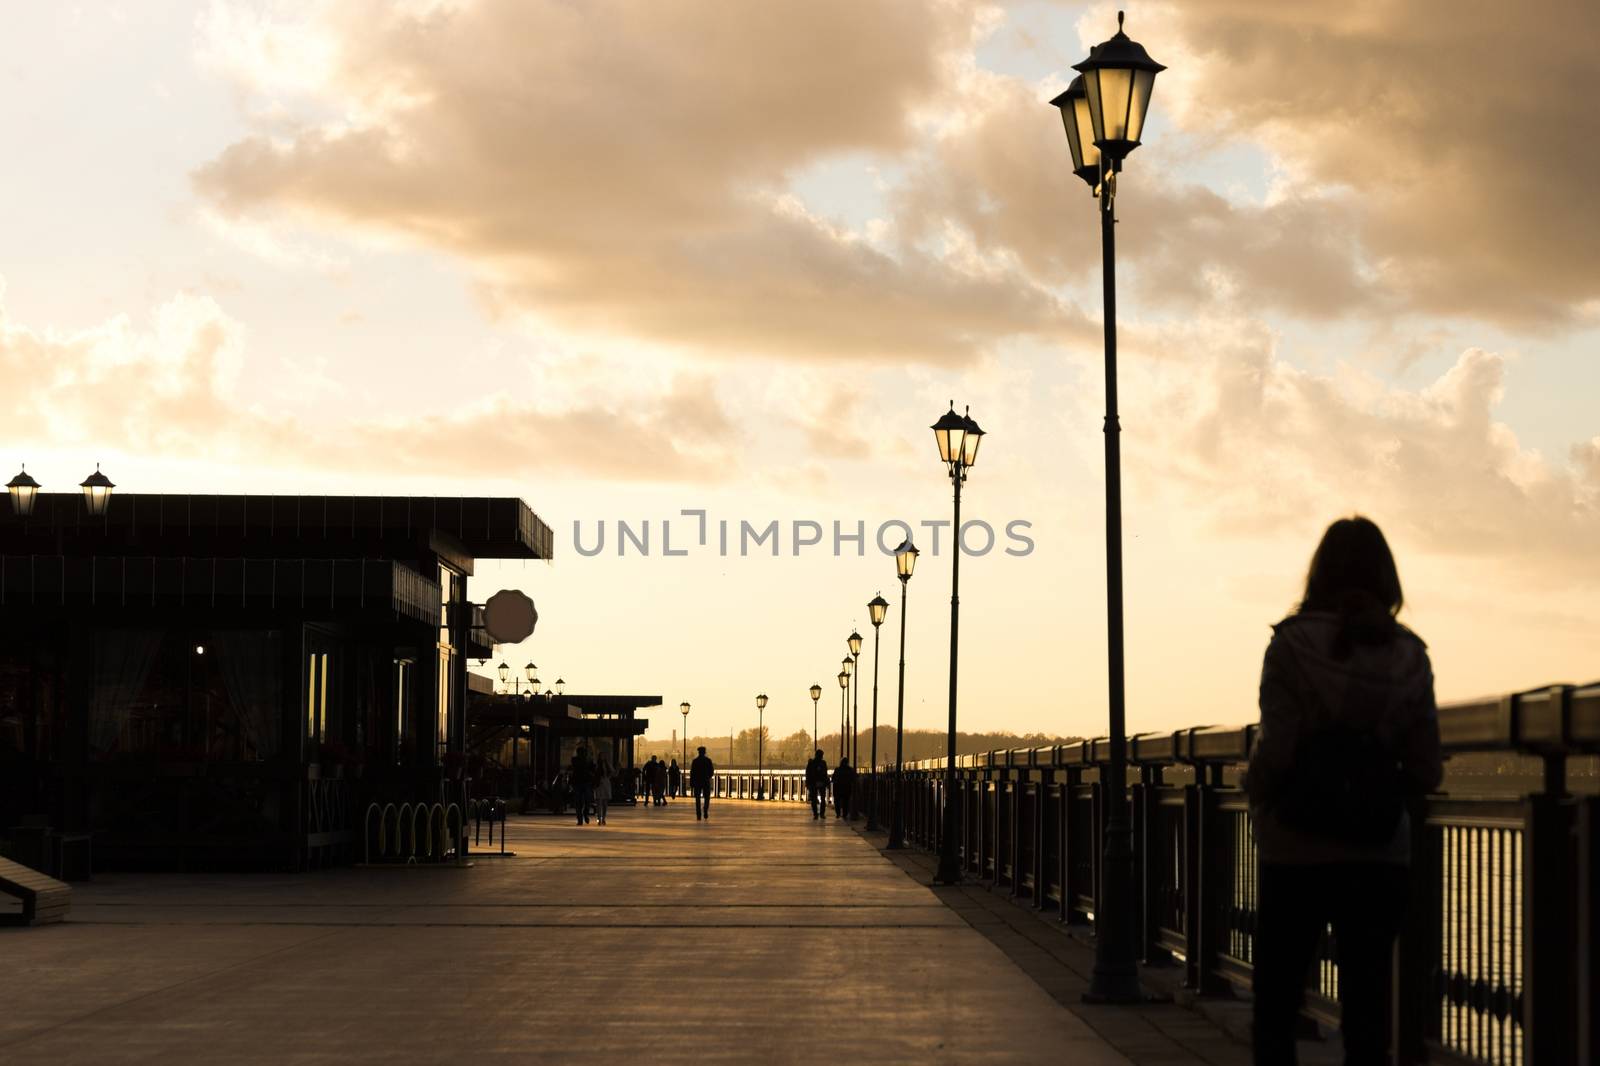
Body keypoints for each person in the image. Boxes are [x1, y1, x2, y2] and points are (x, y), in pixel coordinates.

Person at [1245, 516, 1442, 1066]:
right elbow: (1427, 767)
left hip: (1296, 846)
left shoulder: (1290, 644)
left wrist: (1253, 790)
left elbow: (1276, 748)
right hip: (1379, 850)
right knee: (1368, 1013)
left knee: (1277, 1005)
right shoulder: (1410, 654)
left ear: (1319, 574)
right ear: (1387, 578)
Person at [570, 746, 596, 826]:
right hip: (578, 782)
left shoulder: (588, 760)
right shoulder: (575, 760)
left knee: (586, 801)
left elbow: (592, 770)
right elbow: (578, 767)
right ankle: (580, 818)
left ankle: (584, 814)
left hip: (585, 782)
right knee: (578, 802)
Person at [689, 745, 715, 821]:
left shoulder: (695, 761)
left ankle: (698, 814)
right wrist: (708, 777)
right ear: (704, 752)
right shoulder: (708, 761)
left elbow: (692, 773)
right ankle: (705, 810)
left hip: (697, 782)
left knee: (697, 798)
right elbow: (711, 771)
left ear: (699, 752)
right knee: (707, 797)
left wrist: (692, 783)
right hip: (706, 782)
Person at [806, 749, 830, 820]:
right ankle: (821, 814)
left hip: (814, 783)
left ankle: (816, 814)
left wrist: (808, 783)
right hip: (821, 782)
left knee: (814, 799)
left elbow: (808, 774)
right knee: (822, 799)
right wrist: (827, 782)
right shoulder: (823, 763)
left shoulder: (811, 763)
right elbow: (825, 774)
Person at [594, 756, 613, 826]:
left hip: (605, 783)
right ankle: (599, 818)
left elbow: (612, 772)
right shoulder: (596, 766)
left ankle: (603, 818)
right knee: (599, 802)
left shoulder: (607, 765)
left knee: (604, 803)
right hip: (599, 784)